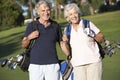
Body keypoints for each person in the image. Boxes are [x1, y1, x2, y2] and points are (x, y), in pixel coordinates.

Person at [22, 1, 69, 80]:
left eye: (48, 10)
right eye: (43, 11)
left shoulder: (55, 26)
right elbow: (24, 45)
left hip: (52, 65)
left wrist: (69, 54)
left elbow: (62, 44)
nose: (46, 13)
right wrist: (29, 37)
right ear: (38, 12)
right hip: (35, 66)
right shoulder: (32, 25)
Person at [62, 3, 105, 80]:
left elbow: (101, 38)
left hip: (93, 63)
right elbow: (68, 52)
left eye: (75, 13)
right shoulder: (67, 30)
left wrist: (93, 35)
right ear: (68, 17)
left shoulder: (87, 24)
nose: (74, 16)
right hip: (77, 65)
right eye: (71, 14)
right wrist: (64, 43)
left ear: (79, 13)